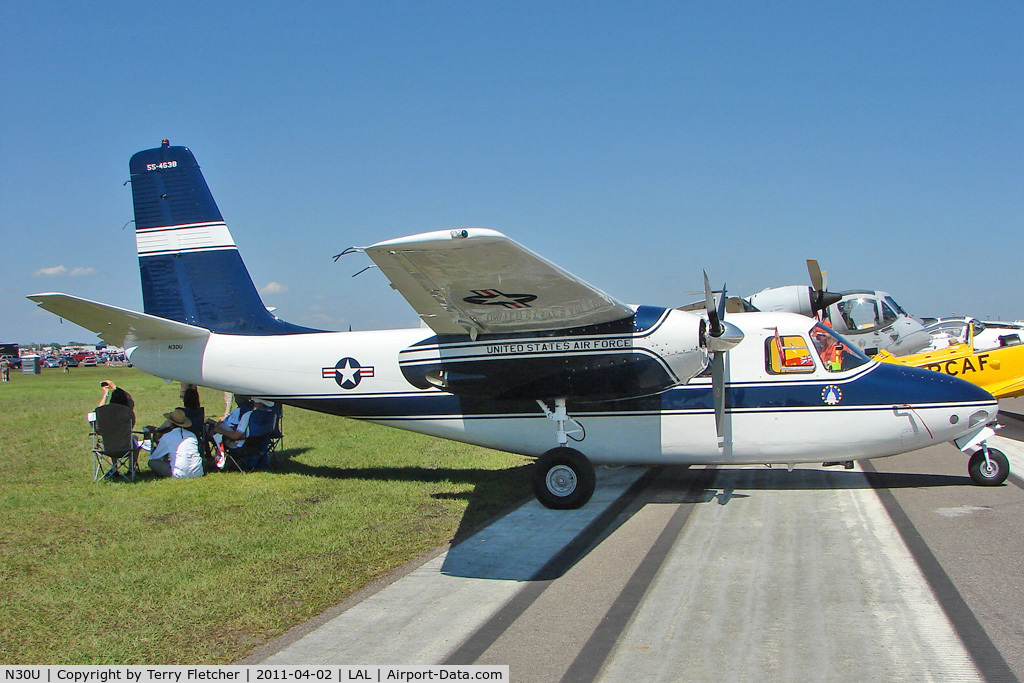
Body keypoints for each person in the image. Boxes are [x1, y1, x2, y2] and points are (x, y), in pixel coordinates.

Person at [147, 409, 203, 478]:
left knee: (152, 462)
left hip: (180, 474)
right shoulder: (192, 435)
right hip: (198, 472)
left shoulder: (167, 436)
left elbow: (155, 457)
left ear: (170, 423)